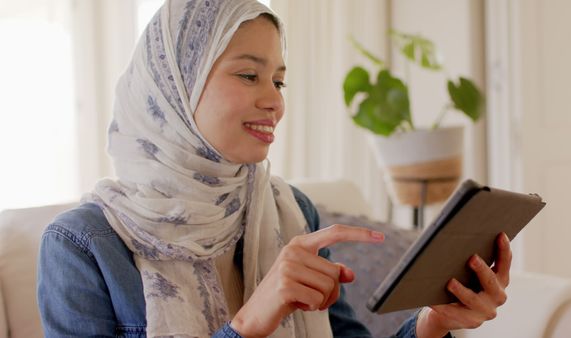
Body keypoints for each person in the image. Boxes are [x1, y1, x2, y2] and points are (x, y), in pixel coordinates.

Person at [37, 0, 510, 337]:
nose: (275, 102)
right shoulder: (81, 247)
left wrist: (433, 322)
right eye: (249, 75)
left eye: (279, 81)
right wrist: (249, 323)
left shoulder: (290, 210)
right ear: (175, 88)